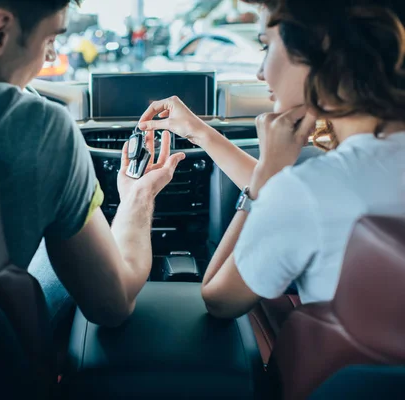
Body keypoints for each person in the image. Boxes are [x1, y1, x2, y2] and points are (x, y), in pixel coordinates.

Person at [0, 0, 186, 328]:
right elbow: (112, 305)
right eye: (49, 40)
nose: (51, 57)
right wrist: (138, 197)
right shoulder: (39, 126)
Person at [138, 0, 405, 319]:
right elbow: (306, 200)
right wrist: (200, 132)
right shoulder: (330, 183)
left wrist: (264, 182)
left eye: (266, 46)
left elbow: (218, 299)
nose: (260, 72)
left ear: (322, 50)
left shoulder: (306, 191)